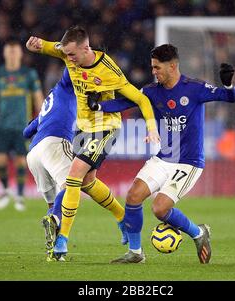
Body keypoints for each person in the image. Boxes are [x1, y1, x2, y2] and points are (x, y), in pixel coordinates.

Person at [88, 44, 235, 264]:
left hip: (189, 163)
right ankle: (136, 253)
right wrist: (99, 107)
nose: (154, 72)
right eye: (152, 67)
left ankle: (198, 233)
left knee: (159, 208)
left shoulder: (194, 88)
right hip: (163, 157)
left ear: (173, 66)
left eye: (157, 67)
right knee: (133, 196)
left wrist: (228, 83)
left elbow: (230, 97)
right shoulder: (151, 91)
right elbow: (126, 101)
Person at [26, 25, 160, 260]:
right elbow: (49, 47)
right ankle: (122, 218)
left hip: (106, 127)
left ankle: (62, 242)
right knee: (88, 181)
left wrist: (151, 127)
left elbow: (140, 98)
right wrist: (36, 45)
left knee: (74, 176)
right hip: (84, 129)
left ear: (86, 48)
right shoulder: (68, 54)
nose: (68, 59)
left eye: (72, 55)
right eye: (66, 54)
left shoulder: (109, 70)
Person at [23, 67, 128, 261]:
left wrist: (40, 123)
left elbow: (26, 131)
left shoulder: (51, 99)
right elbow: (71, 67)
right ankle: (55, 220)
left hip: (34, 153)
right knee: (72, 185)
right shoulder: (68, 84)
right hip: (54, 144)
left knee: (55, 201)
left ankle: (54, 252)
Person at [0, 38, 44, 211]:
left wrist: (43, 118)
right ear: (5, 53)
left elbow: (37, 97)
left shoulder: (29, 74)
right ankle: (5, 190)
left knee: (21, 161)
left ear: (20, 53)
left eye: (15, 51)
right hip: (3, 125)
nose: (12, 54)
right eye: (9, 51)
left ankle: (19, 196)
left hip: (22, 126)